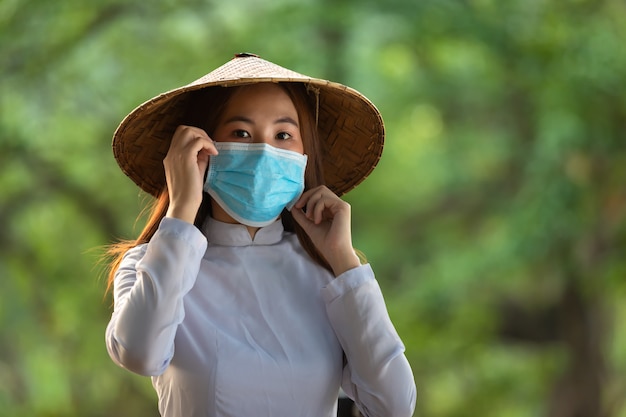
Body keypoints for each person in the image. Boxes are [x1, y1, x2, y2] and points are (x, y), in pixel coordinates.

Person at [104, 53, 416, 417]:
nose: (264, 150)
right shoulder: (151, 265)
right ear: (200, 150)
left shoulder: (330, 278)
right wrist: (181, 212)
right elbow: (138, 354)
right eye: (241, 133)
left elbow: (394, 407)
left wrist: (345, 262)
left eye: (283, 134)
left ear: (304, 155)